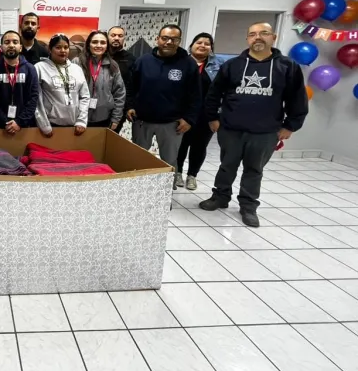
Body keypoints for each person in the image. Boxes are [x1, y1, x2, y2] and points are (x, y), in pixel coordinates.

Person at [200, 22, 309, 228]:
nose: (258, 37)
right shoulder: (232, 65)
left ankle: (248, 206)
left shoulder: (287, 66)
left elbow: (297, 99)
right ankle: (220, 197)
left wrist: (291, 125)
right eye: (252, 34)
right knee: (226, 166)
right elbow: (214, 94)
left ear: (273, 37)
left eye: (263, 33)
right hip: (231, 128)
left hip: (266, 131)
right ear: (248, 39)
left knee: (254, 170)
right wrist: (212, 118)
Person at [127, 24, 201, 183]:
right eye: (165, 38)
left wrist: (189, 118)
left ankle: (166, 195)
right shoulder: (143, 61)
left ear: (179, 41)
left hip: (172, 124)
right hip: (142, 121)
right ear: (157, 39)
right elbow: (131, 87)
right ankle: (136, 190)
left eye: (173, 39)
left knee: (169, 161)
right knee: (137, 158)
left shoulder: (188, 64)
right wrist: (130, 106)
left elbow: (196, 96)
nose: (168, 42)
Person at [175, 33, 221, 191]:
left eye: (207, 44)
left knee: (199, 147)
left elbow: (222, 92)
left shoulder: (217, 66)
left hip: (206, 116)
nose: (202, 45)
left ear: (211, 48)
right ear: (191, 45)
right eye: (199, 42)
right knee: (180, 145)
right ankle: (177, 173)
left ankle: (192, 176)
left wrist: (216, 116)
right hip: (183, 114)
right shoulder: (181, 63)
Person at [35, 34, 90, 137]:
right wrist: (44, 125)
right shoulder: (39, 68)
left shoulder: (76, 69)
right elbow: (37, 99)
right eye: (58, 47)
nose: (63, 50)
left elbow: (85, 96)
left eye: (66, 47)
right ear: (50, 49)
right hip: (50, 125)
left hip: (74, 126)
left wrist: (81, 121)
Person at [73, 30, 126, 131]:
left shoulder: (113, 66)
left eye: (103, 42)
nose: (98, 45)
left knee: (98, 146)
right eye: (94, 42)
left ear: (107, 46)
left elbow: (119, 93)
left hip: (104, 118)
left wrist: (116, 118)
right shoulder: (77, 62)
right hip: (79, 117)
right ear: (88, 45)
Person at [0, 30, 40, 134]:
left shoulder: (30, 69)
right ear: (1, 47)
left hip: (24, 126)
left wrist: (19, 122)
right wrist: (5, 122)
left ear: (20, 47)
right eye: (7, 42)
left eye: (15, 42)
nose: (11, 45)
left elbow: (33, 98)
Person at [108, 26, 135, 132]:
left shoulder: (131, 59)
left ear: (124, 39)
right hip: (97, 108)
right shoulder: (100, 56)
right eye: (113, 35)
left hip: (119, 109)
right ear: (107, 37)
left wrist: (130, 107)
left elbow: (132, 86)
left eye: (120, 36)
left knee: (110, 140)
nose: (116, 38)